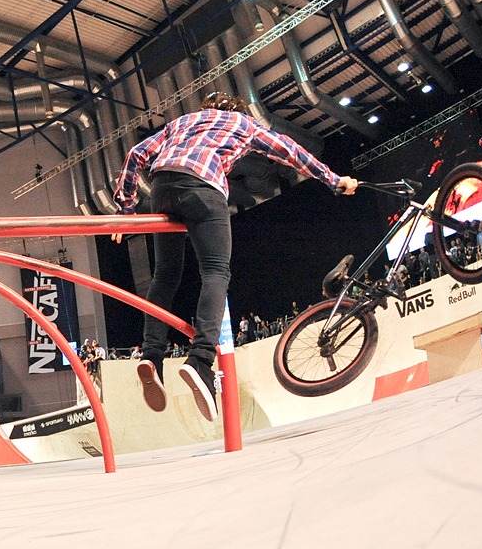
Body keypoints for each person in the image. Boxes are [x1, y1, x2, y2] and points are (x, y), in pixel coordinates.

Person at [112, 91, 358, 421]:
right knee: (215, 271)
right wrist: (333, 179)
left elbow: (136, 153)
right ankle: (200, 360)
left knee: (165, 274)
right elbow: (288, 149)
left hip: (162, 187)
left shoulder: (183, 121)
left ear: (206, 108)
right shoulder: (243, 123)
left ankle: (151, 355)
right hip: (203, 188)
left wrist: (126, 208)